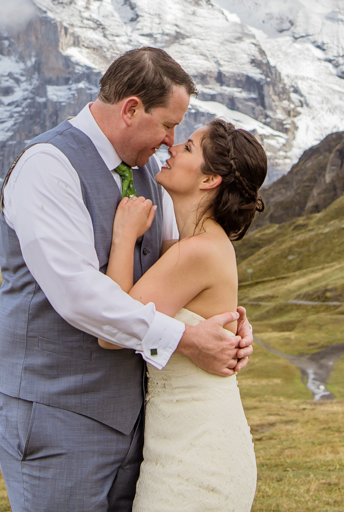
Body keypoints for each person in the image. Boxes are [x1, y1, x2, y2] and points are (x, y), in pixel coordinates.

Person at [0, 47, 255, 512]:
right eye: (168, 125)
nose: (171, 141)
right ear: (131, 109)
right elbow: (78, 295)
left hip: (139, 428)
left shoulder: (152, 174)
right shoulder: (48, 166)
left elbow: (177, 274)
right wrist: (188, 339)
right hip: (57, 417)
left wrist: (228, 326)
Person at [100, 118, 267, 512]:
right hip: (193, 443)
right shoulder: (196, 246)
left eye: (188, 147)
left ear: (209, 180)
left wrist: (123, 237)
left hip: (196, 457)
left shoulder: (196, 251)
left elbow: (112, 332)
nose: (171, 148)